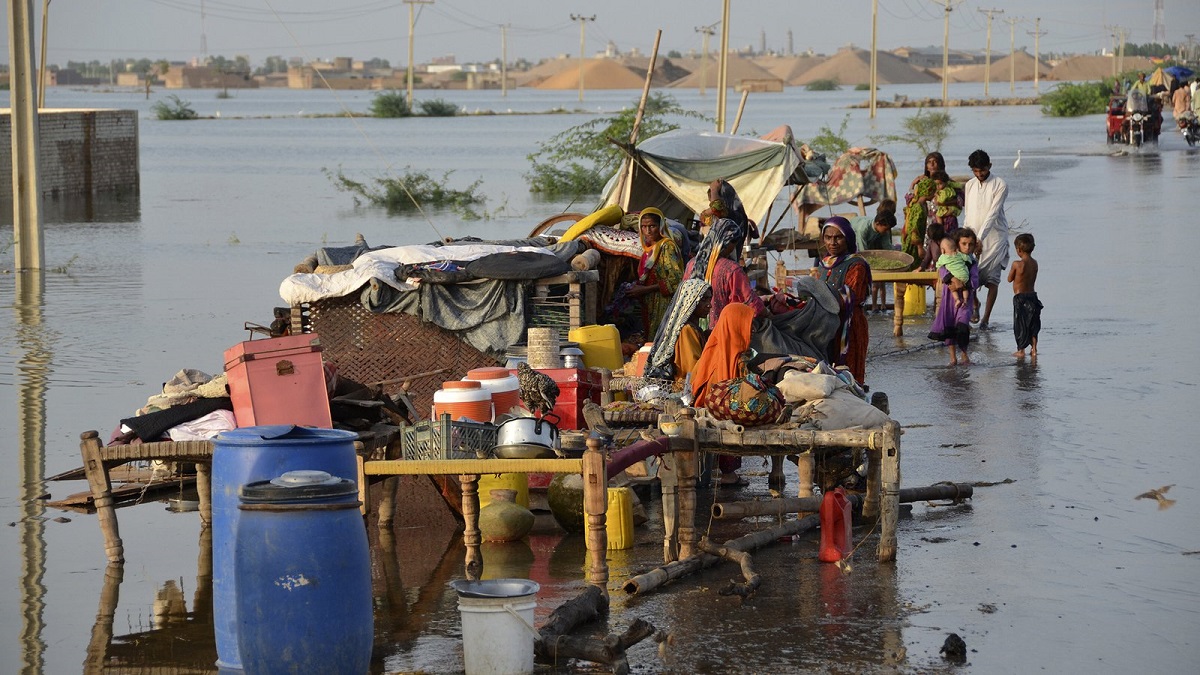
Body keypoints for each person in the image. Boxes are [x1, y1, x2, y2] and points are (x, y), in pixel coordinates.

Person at [690, 302, 757, 486]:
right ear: (736, 325)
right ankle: (728, 473)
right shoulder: (724, 358)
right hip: (711, 417)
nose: (750, 331)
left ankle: (727, 472)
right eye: (746, 325)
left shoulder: (726, 349)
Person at [815, 217, 872, 386]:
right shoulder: (824, 263)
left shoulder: (856, 264)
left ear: (847, 238)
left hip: (849, 325)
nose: (832, 242)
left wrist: (819, 295)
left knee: (850, 371)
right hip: (827, 324)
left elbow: (850, 295)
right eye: (828, 237)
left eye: (838, 237)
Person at [683, 217, 768, 329]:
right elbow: (749, 302)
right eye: (734, 244)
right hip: (721, 331)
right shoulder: (731, 270)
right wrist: (768, 314)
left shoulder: (691, 264)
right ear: (727, 243)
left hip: (692, 328)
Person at [963, 149, 1010, 331]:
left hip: (995, 238)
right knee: (969, 276)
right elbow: (968, 214)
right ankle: (974, 304)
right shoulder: (969, 185)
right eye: (975, 171)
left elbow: (993, 213)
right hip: (973, 238)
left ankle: (985, 320)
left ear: (989, 166)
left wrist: (980, 238)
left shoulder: (1000, 184)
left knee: (992, 280)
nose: (979, 174)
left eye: (982, 170)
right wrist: (969, 238)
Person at [627, 207, 683, 338]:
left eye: (652, 226)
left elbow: (676, 279)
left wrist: (645, 289)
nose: (648, 231)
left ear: (661, 226)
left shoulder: (666, 247)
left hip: (663, 304)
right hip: (649, 304)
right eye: (644, 226)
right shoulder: (648, 250)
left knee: (661, 338)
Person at [928, 228, 980, 366]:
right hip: (948, 300)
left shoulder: (971, 262)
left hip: (965, 300)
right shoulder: (947, 259)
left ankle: (964, 355)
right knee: (950, 328)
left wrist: (962, 284)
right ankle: (952, 358)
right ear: (957, 244)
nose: (967, 248)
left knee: (962, 325)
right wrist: (953, 280)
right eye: (964, 244)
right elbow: (941, 270)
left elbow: (975, 280)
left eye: (970, 244)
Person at [850, 202, 897, 312]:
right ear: (878, 224)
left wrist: (896, 257)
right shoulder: (863, 229)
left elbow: (887, 247)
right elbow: (863, 252)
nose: (887, 232)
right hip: (854, 239)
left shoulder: (883, 232)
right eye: (886, 229)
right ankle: (859, 302)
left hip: (870, 242)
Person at [1008, 233, 1042, 359]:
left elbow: (1009, 279)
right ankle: (1034, 349)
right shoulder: (1035, 263)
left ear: (1018, 250)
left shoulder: (1017, 264)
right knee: (1033, 323)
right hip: (1033, 296)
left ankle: (1021, 350)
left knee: (1021, 324)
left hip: (1020, 297)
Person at [936, 234, 975, 310]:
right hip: (964, 276)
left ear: (942, 250)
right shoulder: (959, 254)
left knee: (953, 290)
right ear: (956, 248)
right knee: (965, 289)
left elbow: (938, 266)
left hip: (954, 276)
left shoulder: (943, 257)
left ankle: (957, 300)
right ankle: (966, 300)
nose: (967, 247)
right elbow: (968, 260)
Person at [902, 177, 934, 264]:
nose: (934, 195)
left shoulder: (922, 204)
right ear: (928, 191)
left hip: (919, 240)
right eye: (933, 192)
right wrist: (920, 248)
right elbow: (914, 229)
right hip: (913, 243)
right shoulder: (918, 208)